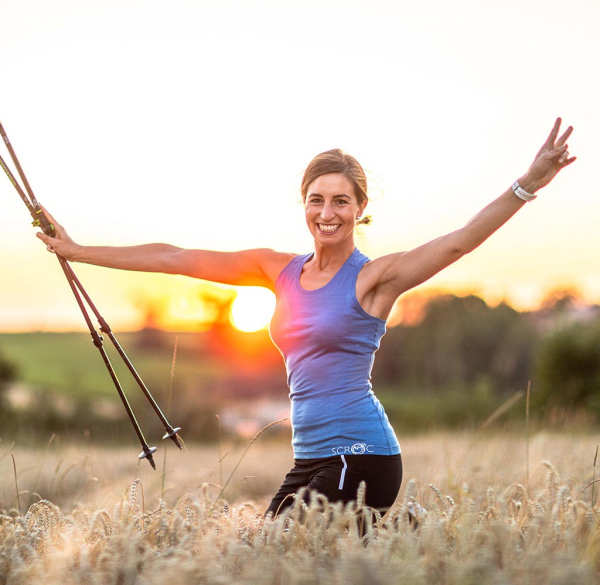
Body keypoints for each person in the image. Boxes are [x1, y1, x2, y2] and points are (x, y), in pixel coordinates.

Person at [37, 118, 575, 518]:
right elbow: (178, 258)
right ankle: (404, 537)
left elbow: (459, 242)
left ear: (360, 208)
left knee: (281, 546)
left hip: (362, 457)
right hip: (311, 458)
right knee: (271, 556)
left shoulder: (375, 278)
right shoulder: (278, 271)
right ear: (304, 205)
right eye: (316, 200)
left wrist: (527, 185)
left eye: (341, 201)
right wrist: (80, 251)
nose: (327, 213)